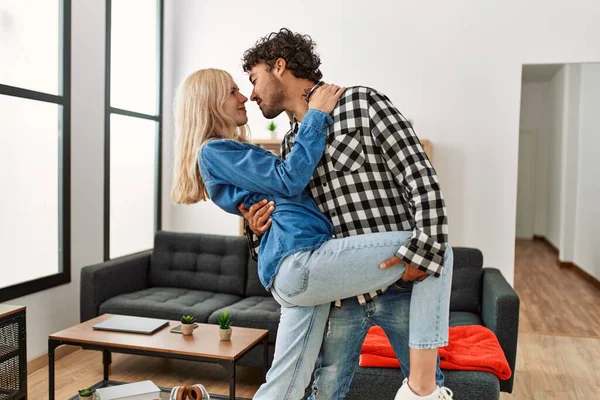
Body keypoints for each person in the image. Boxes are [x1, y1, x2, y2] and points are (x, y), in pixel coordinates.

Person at [239, 29, 454, 400]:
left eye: (254, 79)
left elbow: (420, 176)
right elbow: (295, 226)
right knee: (324, 392)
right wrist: (258, 231)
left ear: (279, 66)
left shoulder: (363, 103)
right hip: (342, 296)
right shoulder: (293, 145)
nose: (252, 94)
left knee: (427, 388)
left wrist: (426, 251)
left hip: (401, 284)